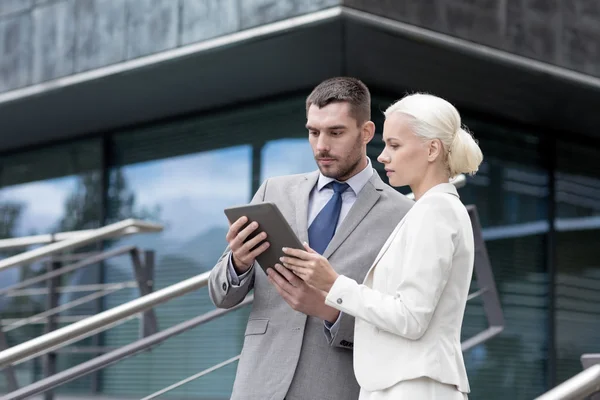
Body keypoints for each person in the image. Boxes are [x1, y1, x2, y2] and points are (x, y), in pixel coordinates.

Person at [208, 77, 413, 400]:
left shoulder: (403, 216)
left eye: (335, 132)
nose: (321, 146)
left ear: (367, 133)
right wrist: (238, 261)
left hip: (336, 386)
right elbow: (222, 296)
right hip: (258, 384)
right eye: (313, 132)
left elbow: (402, 324)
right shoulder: (273, 193)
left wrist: (330, 311)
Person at [280, 93, 483, 399]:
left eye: (395, 145)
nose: (383, 156)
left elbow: (410, 318)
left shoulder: (436, 211)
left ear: (432, 149)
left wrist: (333, 283)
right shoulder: (427, 210)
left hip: (413, 387)